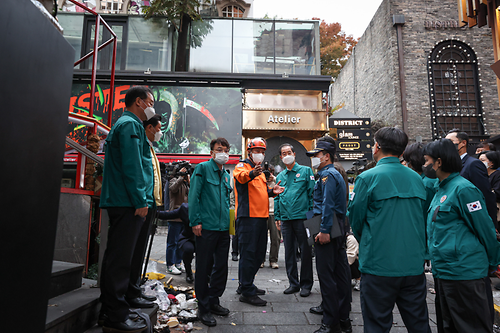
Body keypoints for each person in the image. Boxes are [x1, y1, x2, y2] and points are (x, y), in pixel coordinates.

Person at [348, 127, 431, 333]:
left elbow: (356, 219)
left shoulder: (367, 178)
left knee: (377, 324)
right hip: (412, 264)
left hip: (379, 264)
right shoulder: (417, 179)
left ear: (376, 147)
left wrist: (368, 240)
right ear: (402, 152)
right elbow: (423, 218)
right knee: (419, 323)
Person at [423, 139, 500, 332]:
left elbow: (485, 230)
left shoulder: (464, 189)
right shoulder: (442, 189)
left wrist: (492, 263)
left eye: (427, 160)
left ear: (439, 162)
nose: (425, 165)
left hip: (465, 273)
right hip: (445, 272)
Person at [99, 86, 156, 332]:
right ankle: (115, 315)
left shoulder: (128, 124)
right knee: (119, 260)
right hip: (126, 202)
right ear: (139, 102)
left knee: (123, 257)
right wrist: (140, 200)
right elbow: (132, 167)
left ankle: (119, 307)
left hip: (125, 200)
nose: (152, 106)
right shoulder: (130, 126)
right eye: (150, 101)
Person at [306, 136, 351, 333]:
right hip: (335, 225)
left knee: (327, 276)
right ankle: (343, 319)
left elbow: (327, 205)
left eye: (316, 155)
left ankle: (330, 322)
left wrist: (324, 231)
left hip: (329, 227)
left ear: (325, 156)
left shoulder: (328, 175)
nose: (313, 159)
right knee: (340, 275)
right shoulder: (330, 174)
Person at [233, 137, 284, 307]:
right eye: (257, 151)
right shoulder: (243, 166)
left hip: (261, 217)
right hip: (248, 218)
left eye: (262, 152)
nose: (260, 154)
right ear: (249, 152)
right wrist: (252, 173)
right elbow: (241, 177)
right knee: (249, 254)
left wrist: (272, 192)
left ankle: (246, 284)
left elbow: (259, 192)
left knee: (258, 254)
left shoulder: (260, 171)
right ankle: (247, 291)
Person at [188, 138, 232, 327]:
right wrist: (195, 221)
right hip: (206, 227)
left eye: (226, 149)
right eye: (219, 149)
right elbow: (194, 196)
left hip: (223, 229)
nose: (223, 152)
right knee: (204, 267)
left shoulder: (226, 175)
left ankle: (214, 300)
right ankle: (203, 307)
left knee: (221, 267)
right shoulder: (203, 168)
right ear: (211, 153)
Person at [274, 143, 315, 297]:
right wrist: (277, 216)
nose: (287, 155)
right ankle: (293, 283)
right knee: (289, 252)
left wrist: (312, 218)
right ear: (281, 157)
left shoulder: (306, 171)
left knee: (305, 252)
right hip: (286, 219)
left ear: (294, 154)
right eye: (284, 153)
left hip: (303, 218)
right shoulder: (280, 176)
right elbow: (277, 198)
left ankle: (306, 284)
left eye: (289, 152)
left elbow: (312, 195)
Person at [445, 129, 497, 230]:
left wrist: (491, 224)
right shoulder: (451, 165)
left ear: (463, 143)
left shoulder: (473, 164)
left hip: (475, 220)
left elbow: (485, 194)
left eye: (450, 142)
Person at [165, 167, 189, 275]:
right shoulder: (173, 180)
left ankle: (178, 262)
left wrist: (189, 181)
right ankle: (170, 264)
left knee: (180, 242)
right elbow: (173, 189)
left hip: (184, 216)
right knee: (172, 242)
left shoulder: (185, 183)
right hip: (174, 215)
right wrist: (180, 177)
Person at [262, 165, 281, 269]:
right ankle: (261, 260)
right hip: (262, 213)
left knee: (276, 238)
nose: (267, 175)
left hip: (274, 213)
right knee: (261, 238)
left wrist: (274, 179)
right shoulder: (260, 182)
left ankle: (273, 260)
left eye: (270, 173)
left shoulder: (276, 181)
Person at [479, 151, 500, 221]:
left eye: (482, 160)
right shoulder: (483, 175)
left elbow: (496, 192)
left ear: (492, 163)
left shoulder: (497, 175)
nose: (479, 163)